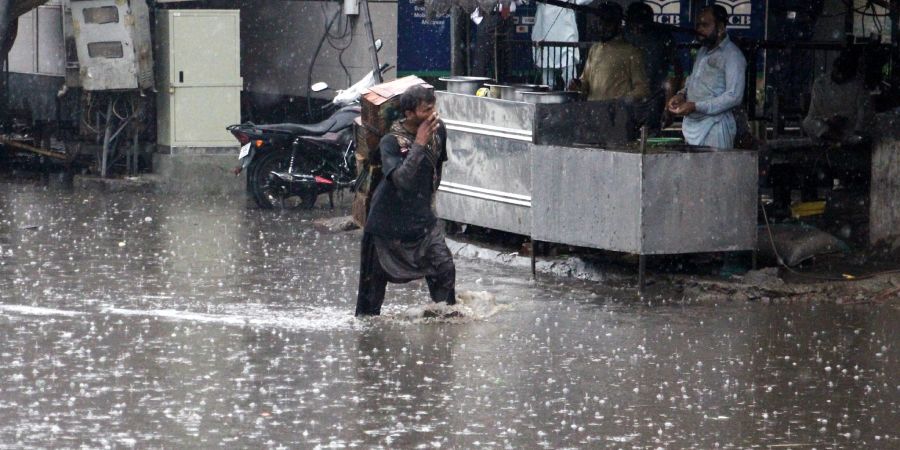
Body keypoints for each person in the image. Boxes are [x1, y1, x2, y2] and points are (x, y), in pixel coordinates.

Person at [355, 86, 456, 317]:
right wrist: (419, 143)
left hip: (422, 223)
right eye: (426, 110)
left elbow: (435, 172)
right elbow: (401, 180)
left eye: (434, 108)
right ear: (409, 114)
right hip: (385, 226)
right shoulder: (390, 142)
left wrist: (423, 204)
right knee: (369, 305)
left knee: (445, 269)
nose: (433, 115)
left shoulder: (439, 131)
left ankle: (443, 329)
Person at [667, 5, 746, 149]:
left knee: (714, 170)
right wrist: (681, 95)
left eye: (705, 25)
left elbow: (734, 96)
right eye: (698, 25)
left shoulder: (733, 56)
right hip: (692, 126)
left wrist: (696, 106)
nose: (699, 30)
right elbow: (693, 81)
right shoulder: (702, 51)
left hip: (715, 127)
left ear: (721, 27)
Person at [572, 2, 649, 102]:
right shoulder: (594, 49)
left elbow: (642, 89)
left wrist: (621, 102)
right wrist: (578, 85)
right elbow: (585, 82)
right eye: (600, 22)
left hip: (617, 114)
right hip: (593, 111)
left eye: (607, 23)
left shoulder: (632, 52)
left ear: (618, 24)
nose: (602, 27)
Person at [624, 2, 681, 134]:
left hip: (654, 102)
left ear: (649, 21)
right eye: (634, 23)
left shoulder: (662, 38)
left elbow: (675, 72)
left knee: (649, 143)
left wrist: (668, 106)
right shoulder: (624, 36)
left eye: (641, 22)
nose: (637, 27)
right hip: (626, 103)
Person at [802, 50, 873, 145]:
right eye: (838, 73)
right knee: (808, 122)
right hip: (827, 127)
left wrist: (856, 129)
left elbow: (863, 113)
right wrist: (829, 120)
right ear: (834, 69)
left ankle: (845, 140)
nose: (840, 76)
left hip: (849, 127)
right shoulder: (820, 84)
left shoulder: (858, 86)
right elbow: (814, 113)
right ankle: (839, 139)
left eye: (844, 74)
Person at [532, 0, 593, 89]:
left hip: (566, 36)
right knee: (547, 80)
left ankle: (571, 97)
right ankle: (548, 100)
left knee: (570, 76)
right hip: (544, 36)